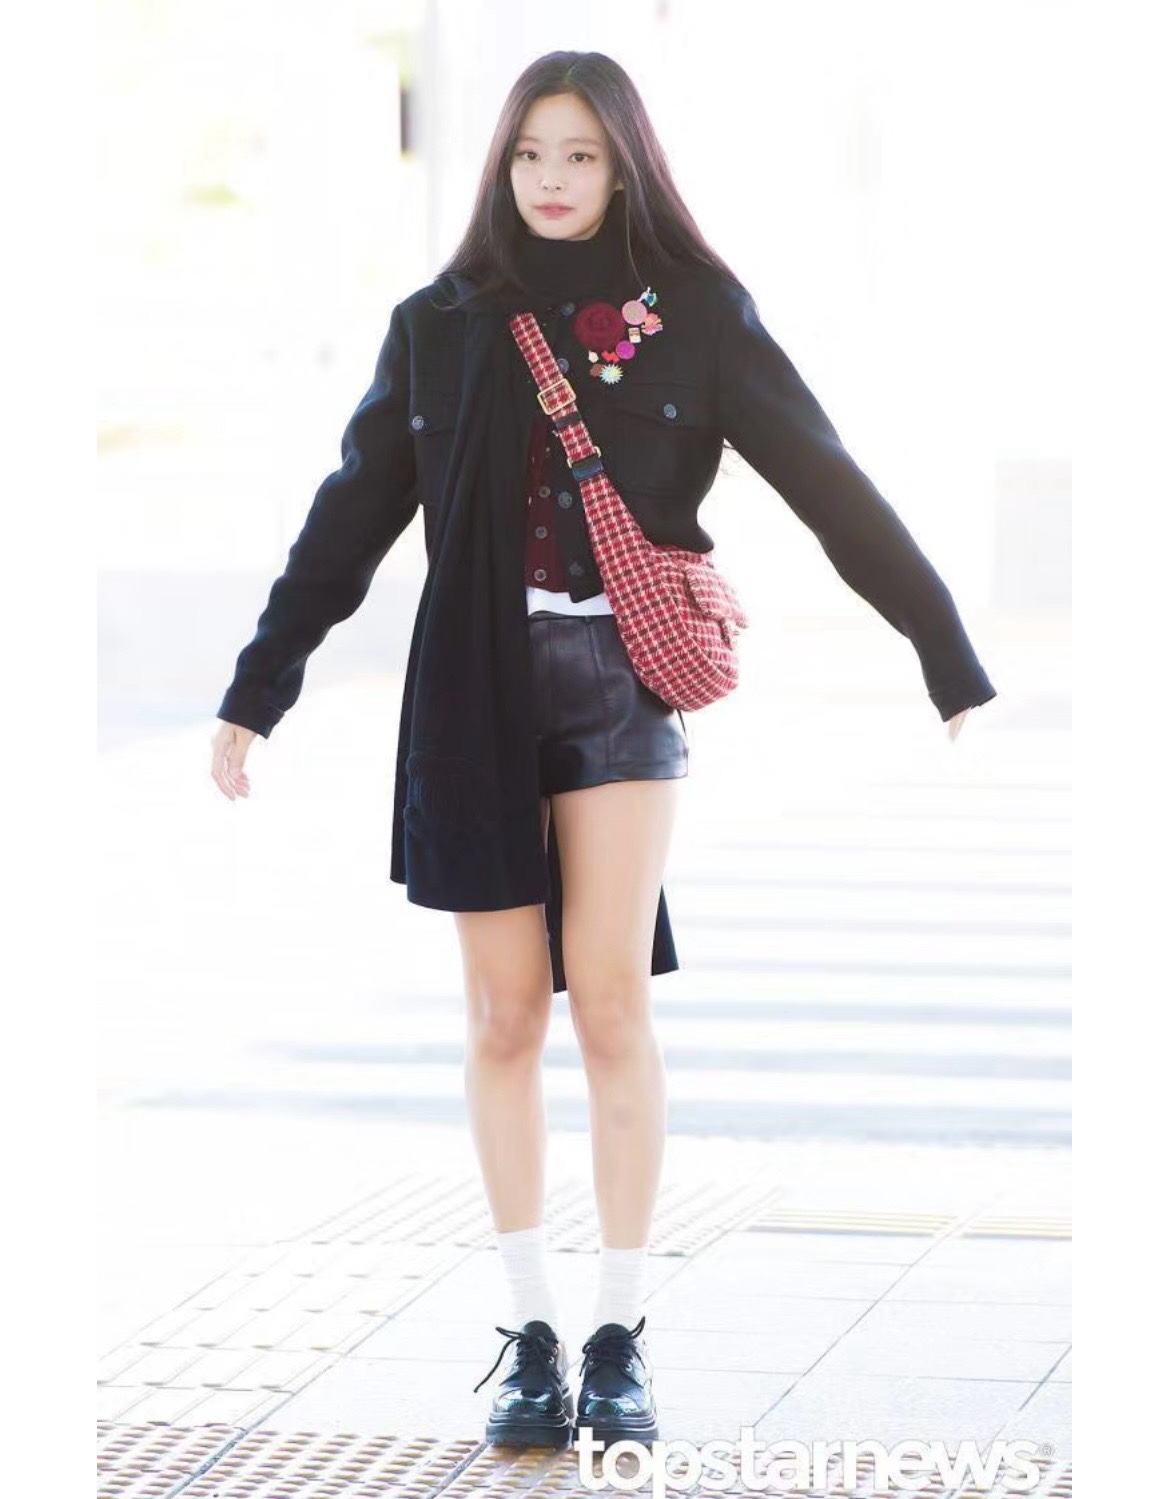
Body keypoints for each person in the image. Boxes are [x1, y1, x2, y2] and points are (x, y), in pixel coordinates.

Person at [210, 52, 996, 1452]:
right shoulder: (439, 324)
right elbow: (348, 520)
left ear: (624, 164)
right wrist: (257, 687)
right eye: (529, 154)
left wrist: (941, 647)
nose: (552, 179)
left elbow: (826, 481)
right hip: (470, 694)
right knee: (506, 1016)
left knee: (612, 1002)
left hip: (621, 688)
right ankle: (529, 1332)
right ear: (501, 165)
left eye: (579, 154)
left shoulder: (696, 315)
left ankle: (621, 1332)